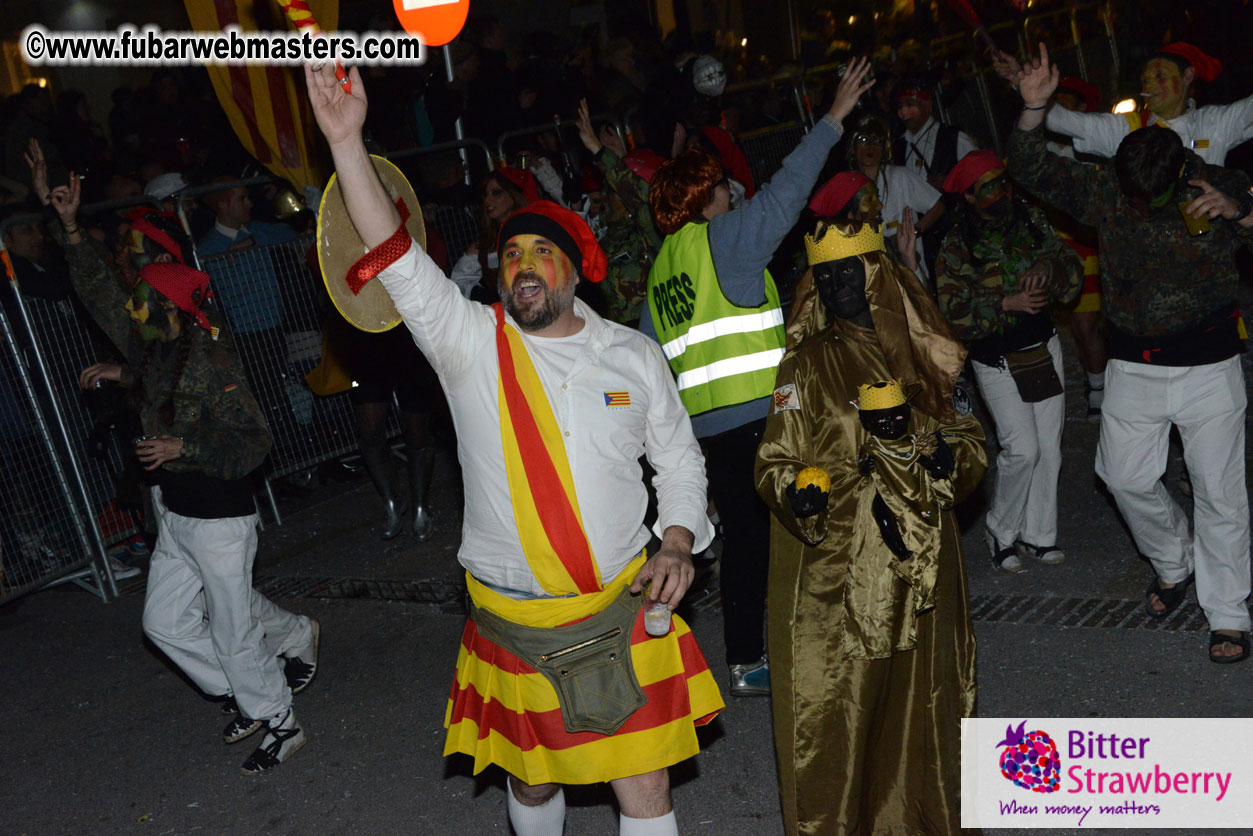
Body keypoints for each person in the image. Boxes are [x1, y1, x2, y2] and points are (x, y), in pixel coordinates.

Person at [306, 62, 724, 836]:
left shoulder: (632, 354)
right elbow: (394, 255)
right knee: (533, 785)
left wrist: (675, 539)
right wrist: (346, 141)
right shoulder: (469, 342)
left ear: (575, 269)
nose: (522, 267)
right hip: (514, 618)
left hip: (620, 607)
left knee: (646, 785)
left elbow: (678, 461)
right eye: (509, 258)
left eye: (540, 253)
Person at [49, 178, 319, 772]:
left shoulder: (212, 358)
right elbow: (101, 295)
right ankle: (248, 685)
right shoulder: (155, 347)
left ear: (173, 307)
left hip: (220, 515)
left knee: (232, 630)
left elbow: (255, 439)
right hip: (176, 513)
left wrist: (181, 443)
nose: (134, 310)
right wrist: (70, 229)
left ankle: (279, 720)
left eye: (145, 302)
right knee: (164, 623)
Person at [1009, 44, 1253, 663]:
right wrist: (1035, 108)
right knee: (1121, 475)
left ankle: (1228, 614)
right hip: (1134, 367)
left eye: (1153, 196)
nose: (1139, 206)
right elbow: (1030, 167)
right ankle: (1175, 560)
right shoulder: (1109, 189)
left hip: (1208, 365)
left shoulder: (1215, 183)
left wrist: (1242, 211)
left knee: (1219, 492)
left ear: (1182, 176)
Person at [642, 57, 876, 698]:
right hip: (767, 421)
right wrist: (831, 120)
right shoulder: (725, 238)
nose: (733, 195)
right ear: (704, 198)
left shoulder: (663, 270)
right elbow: (787, 190)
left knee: (748, 542)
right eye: (722, 188)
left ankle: (748, 658)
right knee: (808, 524)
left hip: (707, 436)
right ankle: (823, 641)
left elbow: (644, 363)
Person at [755, 219, 987, 835]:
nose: (836, 285)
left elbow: (970, 442)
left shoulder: (931, 354)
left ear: (878, 274)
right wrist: (798, 494)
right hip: (838, 573)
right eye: (823, 275)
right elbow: (773, 462)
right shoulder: (803, 366)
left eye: (847, 270)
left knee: (925, 710)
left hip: (922, 567)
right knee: (838, 716)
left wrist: (946, 460)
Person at [935, 149, 1082, 572]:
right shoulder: (957, 245)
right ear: (968, 196)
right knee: (1022, 448)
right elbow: (952, 315)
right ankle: (1000, 531)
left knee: (1049, 450)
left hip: (1042, 347)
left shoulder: (1031, 221)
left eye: (1003, 182)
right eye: (989, 187)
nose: (1000, 192)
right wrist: (1005, 302)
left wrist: (1045, 266)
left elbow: (1069, 271)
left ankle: (1039, 536)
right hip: (995, 357)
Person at [995, 41, 1253, 167]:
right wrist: (1024, 85)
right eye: (1145, 79)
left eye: (1160, 77)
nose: (1148, 85)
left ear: (1187, 77)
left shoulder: (1215, 123)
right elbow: (1062, 120)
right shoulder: (1125, 129)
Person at [575, 98, 663, 326]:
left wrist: (599, 150)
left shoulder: (652, 234)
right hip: (615, 333)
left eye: (613, 192)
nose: (607, 197)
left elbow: (642, 197)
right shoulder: (608, 234)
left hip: (651, 328)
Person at [846, 114, 945, 279]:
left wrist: (912, 232)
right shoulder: (847, 186)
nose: (871, 146)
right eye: (864, 140)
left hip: (910, 271)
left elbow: (938, 206)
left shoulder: (900, 176)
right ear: (853, 148)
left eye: (877, 141)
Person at [448, 167, 539, 302]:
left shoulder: (536, 235)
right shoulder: (484, 246)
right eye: (485, 194)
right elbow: (458, 281)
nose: (487, 201)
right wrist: (478, 294)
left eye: (496, 193)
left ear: (513, 196)